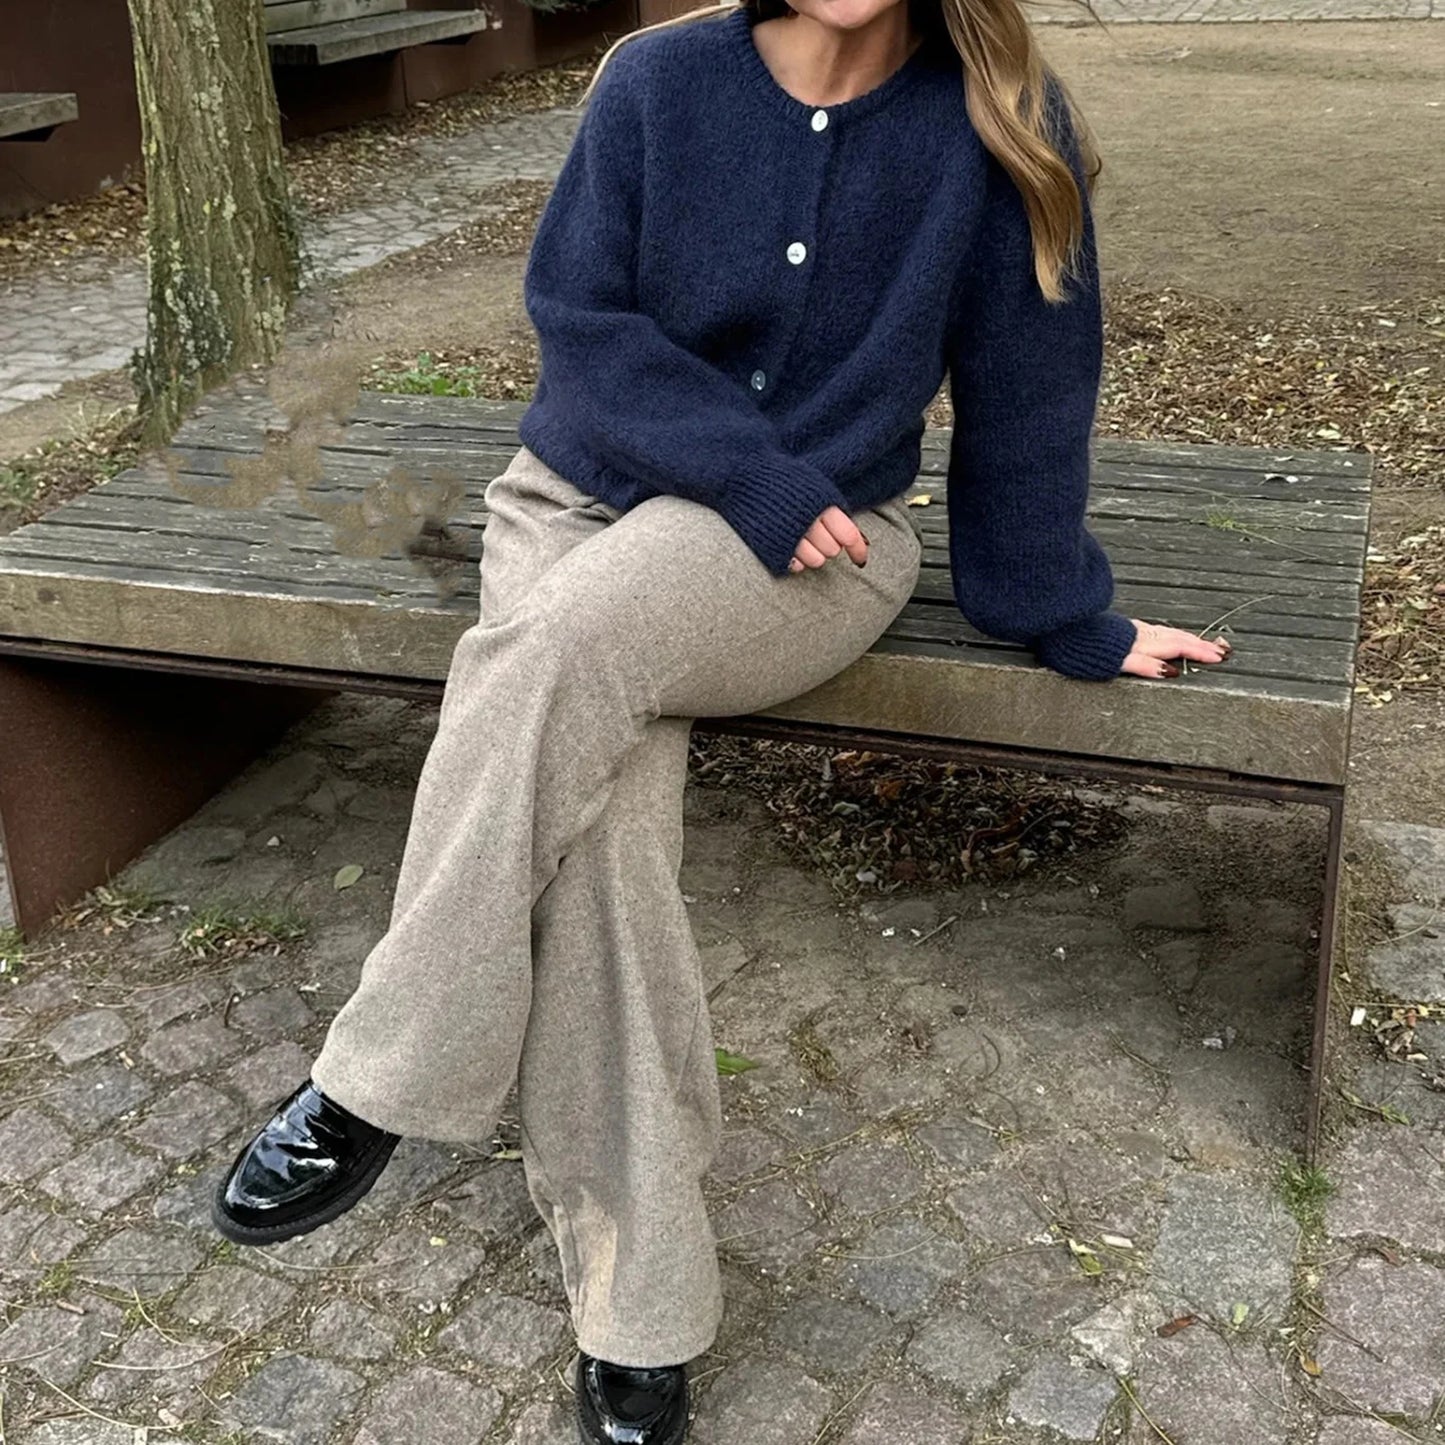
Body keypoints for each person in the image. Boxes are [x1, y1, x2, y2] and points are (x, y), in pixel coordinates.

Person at [211, 0, 1229, 1437]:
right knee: (609, 832)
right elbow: (580, 319)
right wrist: (726, 459)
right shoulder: (655, 81)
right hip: (573, 503)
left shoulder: (1000, 122)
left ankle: (378, 1070)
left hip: (808, 552)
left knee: (550, 651)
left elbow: (1029, 390)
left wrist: (1065, 613)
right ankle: (643, 1307)